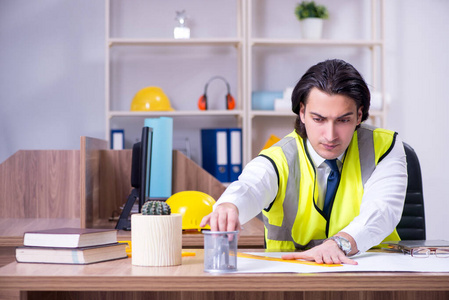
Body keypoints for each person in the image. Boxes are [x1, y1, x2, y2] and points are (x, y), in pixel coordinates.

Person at [200, 59, 407, 265]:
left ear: (359, 115)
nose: (330, 135)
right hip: (292, 277)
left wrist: (339, 244)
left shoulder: (384, 147)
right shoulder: (279, 158)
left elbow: (382, 210)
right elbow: (252, 185)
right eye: (319, 119)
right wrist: (230, 205)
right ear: (302, 113)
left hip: (372, 273)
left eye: (343, 120)